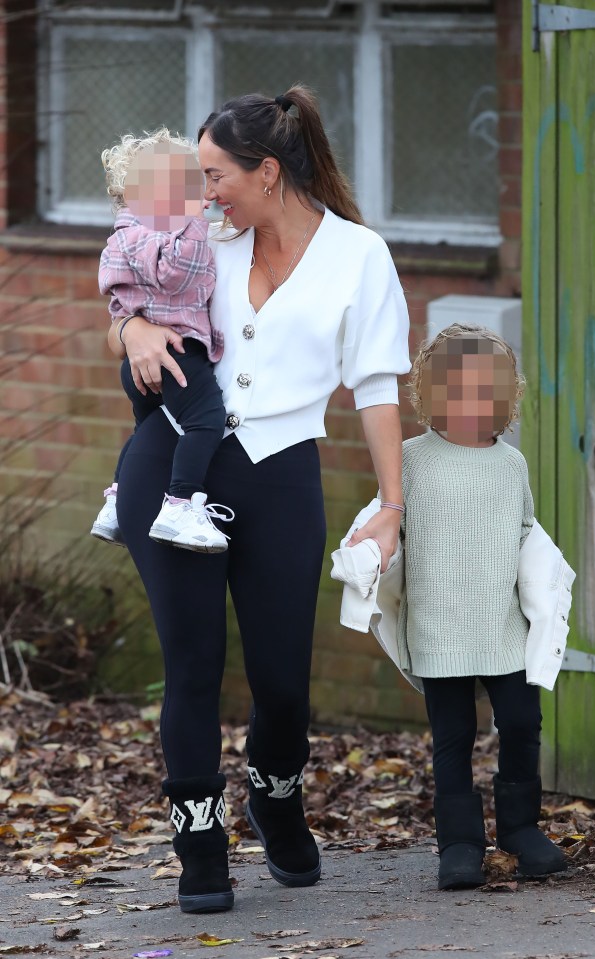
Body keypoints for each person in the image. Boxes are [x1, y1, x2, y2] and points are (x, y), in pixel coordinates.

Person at [106, 85, 411, 914]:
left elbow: (378, 383)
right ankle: (198, 843)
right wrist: (130, 329)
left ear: (267, 171)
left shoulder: (359, 256)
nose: (202, 193)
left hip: (279, 476)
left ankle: (275, 795)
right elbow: (127, 303)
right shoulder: (200, 237)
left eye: (214, 175)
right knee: (192, 665)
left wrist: (391, 503)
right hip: (173, 466)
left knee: (283, 684)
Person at [398, 323, 567, 891]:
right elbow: (387, 523)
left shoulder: (510, 465)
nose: (472, 403)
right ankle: (460, 842)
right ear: (432, 394)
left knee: (522, 721)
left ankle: (520, 829)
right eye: (458, 390)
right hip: (439, 623)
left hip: (502, 623)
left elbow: (524, 533)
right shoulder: (411, 460)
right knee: (453, 733)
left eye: (484, 391)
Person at [91, 129, 231, 554]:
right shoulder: (160, 236)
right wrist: (193, 222)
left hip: (138, 365)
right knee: (206, 422)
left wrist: (129, 325)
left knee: (145, 428)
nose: (202, 197)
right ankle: (181, 503)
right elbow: (176, 273)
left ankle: (116, 501)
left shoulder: (122, 237)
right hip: (177, 356)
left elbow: (114, 296)